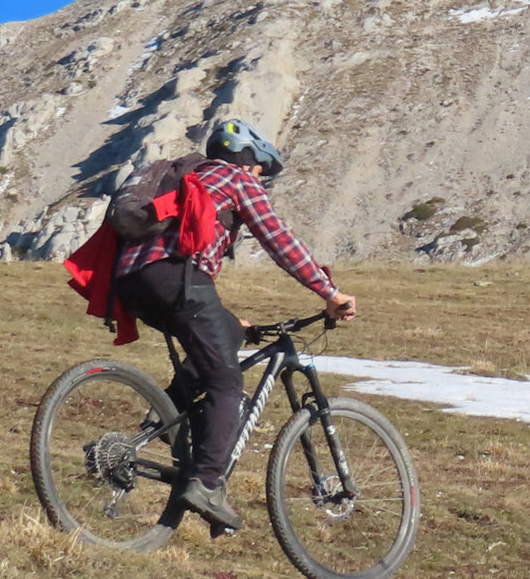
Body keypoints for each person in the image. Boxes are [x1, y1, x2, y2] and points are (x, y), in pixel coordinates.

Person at [111, 117, 355, 533]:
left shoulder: (189, 177)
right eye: (261, 168)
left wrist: (230, 322)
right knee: (227, 384)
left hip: (132, 282)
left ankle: (162, 421)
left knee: (226, 332)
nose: (260, 177)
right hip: (177, 278)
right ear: (248, 160)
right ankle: (206, 483)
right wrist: (329, 292)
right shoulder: (236, 179)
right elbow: (279, 240)